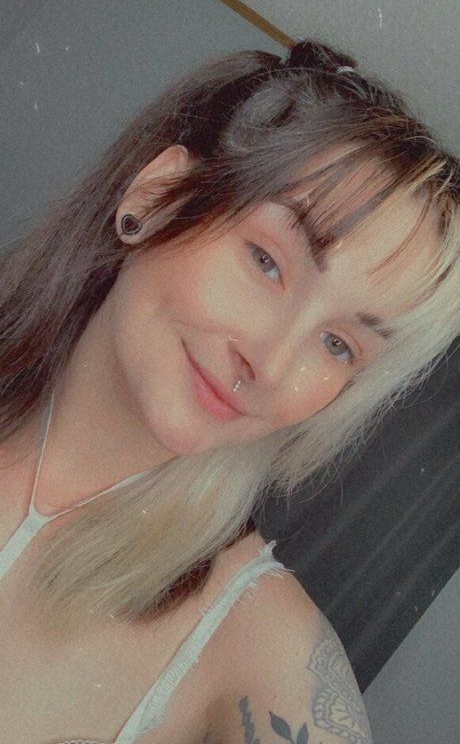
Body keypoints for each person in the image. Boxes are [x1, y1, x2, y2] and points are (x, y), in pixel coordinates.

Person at [0, 39, 458, 744]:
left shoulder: (261, 652)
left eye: (339, 344)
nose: (270, 363)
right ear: (156, 196)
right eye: (267, 260)